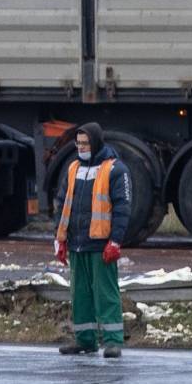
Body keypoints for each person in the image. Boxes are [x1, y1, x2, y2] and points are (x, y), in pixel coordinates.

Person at [53, 122, 130, 358]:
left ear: (96, 143)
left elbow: (122, 208)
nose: (81, 147)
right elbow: (62, 204)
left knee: (105, 293)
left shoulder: (115, 169)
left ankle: (113, 341)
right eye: (78, 143)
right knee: (80, 295)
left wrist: (115, 241)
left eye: (85, 143)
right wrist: (60, 238)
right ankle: (85, 340)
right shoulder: (73, 168)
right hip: (77, 242)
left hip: (100, 243)